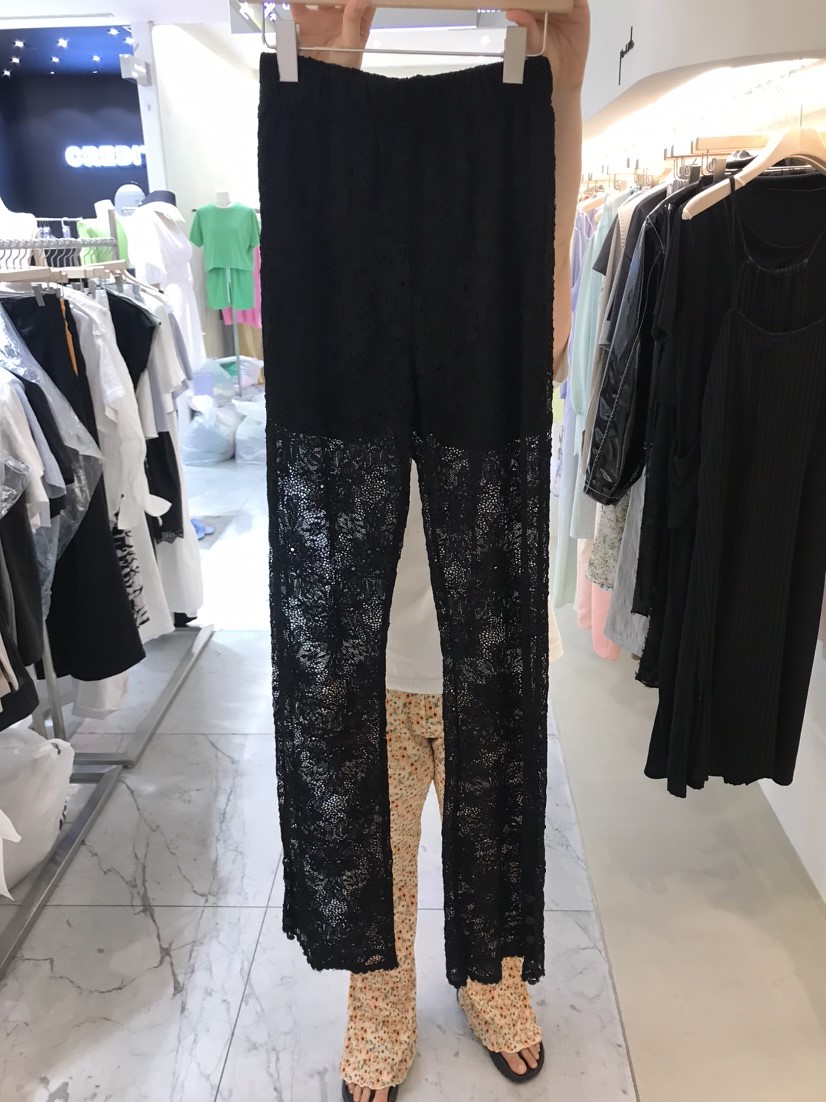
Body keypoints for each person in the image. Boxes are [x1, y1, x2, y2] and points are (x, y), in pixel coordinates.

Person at [283, 4, 590, 1099]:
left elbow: (546, 209)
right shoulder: (331, 340)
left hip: (483, 662)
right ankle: (378, 1007)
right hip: (364, 668)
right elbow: (319, 204)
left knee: (491, 834)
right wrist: (334, 49)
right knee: (375, 854)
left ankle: (493, 984)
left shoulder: (513, 327)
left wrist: (567, 68)